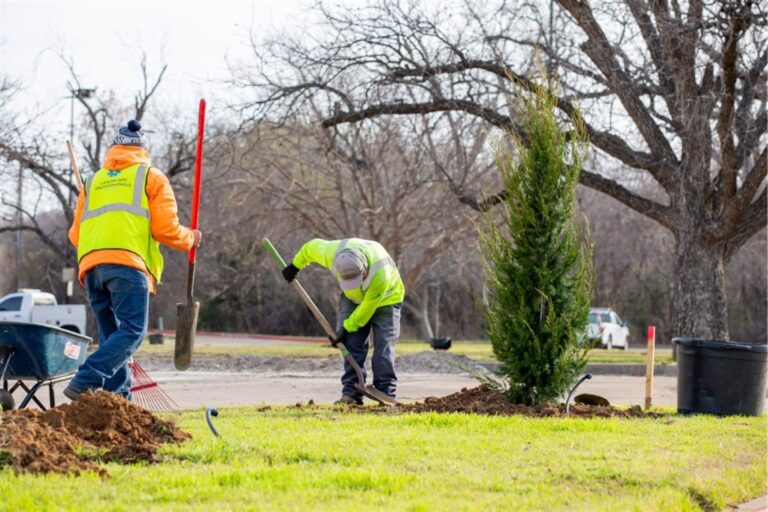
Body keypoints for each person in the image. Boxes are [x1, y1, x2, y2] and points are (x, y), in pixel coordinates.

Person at [64, 119, 201, 401]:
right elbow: (165, 230)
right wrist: (190, 238)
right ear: (142, 149)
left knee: (112, 336)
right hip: (127, 266)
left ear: (114, 148)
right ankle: (86, 377)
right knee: (133, 333)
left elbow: (75, 236)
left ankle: (118, 399)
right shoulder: (151, 177)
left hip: (91, 269)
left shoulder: (92, 182)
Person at [282, 238, 405, 405]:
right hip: (353, 299)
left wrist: (345, 328)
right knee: (351, 343)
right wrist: (295, 265)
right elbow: (309, 248)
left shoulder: (380, 273)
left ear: (364, 270)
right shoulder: (331, 253)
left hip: (387, 299)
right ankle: (351, 394)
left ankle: (385, 392)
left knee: (383, 346)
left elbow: (366, 310)